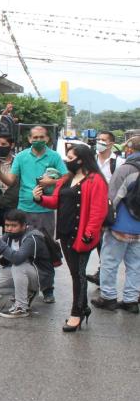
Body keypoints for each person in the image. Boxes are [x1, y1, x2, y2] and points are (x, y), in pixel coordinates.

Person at [34, 144, 107, 331]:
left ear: (81, 160)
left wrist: (88, 236)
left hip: (82, 236)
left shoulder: (95, 180)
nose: (67, 160)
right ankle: (84, 307)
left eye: (70, 157)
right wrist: (40, 199)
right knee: (76, 273)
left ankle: (77, 313)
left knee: (78, 275)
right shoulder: (67, 179)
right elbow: (57, 202)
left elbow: (98, 213)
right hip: (66, 234)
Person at [0, 125, 67, 302]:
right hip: (24, 209)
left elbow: (66, 177)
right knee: (22, 250)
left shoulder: (54, 156)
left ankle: (47, 289)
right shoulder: (21, 157)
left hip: (45, 209)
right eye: (34, 138)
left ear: (47, 139)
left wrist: (50, 181)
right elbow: (11, 181)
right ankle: (23, 288)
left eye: (41, 137)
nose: (38, 140)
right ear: (29, 139)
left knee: (46, 251)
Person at [92, 136, 140, 313]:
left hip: (120, 225)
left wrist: (104, 222)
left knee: (110, 262)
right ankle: (131, 300)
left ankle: (108, 297)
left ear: (129, 150)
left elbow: (112, 198)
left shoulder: (126, 168)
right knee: (135, 265)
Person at [0, 210, 49, 318]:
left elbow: (17, 259)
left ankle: (21, 307)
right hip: (21, 272)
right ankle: (26, 293)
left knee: (19, 265)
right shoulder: (9, 235)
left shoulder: (31, 237)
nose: (9, 228)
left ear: (24, 226)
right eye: (7, 225)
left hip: (40, 276)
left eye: (14, 226)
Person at [87, 131, 125, 285]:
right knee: (96, 240)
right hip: (92, 206)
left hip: (110, 208)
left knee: (107, 242)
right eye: (98, 140)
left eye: (103, 140)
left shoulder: (119, 162)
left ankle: (104, 275)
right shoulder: (92, 160)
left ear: (111, 143)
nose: (99, 142)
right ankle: (101, 272)